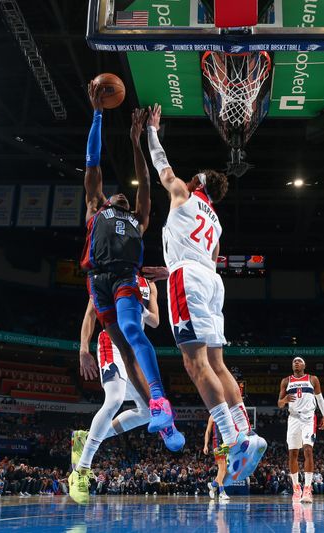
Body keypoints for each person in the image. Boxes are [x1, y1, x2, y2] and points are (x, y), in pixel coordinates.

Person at [142, 103, 266, 484]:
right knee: (218, 363)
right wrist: (172, 269)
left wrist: (151, 131)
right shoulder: (216, 221)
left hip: (189, 280)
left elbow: (161, 166)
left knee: (194, 365)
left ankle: (232, 441)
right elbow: (208, 261)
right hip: (211, 283)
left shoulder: (183, 193)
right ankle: (244, 430)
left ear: (197, 182)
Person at [80, 82, 177, 436]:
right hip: (98, 281)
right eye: (115, 192)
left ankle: (157, 400)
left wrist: (136, 143)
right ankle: (152, 405)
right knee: (124, 344)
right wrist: (97, 115)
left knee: (134, 330)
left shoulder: (139, 218)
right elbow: (92, 162)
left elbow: (146, 183)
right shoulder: (96, 208)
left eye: (126, 193)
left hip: (124, 278)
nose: (121, 192)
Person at [69, 270, 183, 504]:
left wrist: (141, 304)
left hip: (135, 350)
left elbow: (155, 320)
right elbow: (90, 315)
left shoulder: (148, 284)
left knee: (147, 410)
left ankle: (86, 438)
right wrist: (83, 348)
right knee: (114, 399)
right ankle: (81, 470)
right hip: (111, 342)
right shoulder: (108, 274)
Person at [277, 357, 324, 503]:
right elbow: (279, 403)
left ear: (304, 365)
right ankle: (296, 487)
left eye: (299, 361)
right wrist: (284, 400)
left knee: (308, 450)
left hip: (308, 418)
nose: (296, 363)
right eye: (294, 361)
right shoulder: (286, 381)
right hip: (293, 419)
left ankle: (307, 489)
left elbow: (320, 399)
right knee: (293, 453)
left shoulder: (312, 379)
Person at [203, 414, 230, 501]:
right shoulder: (213, 416)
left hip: (225, 444)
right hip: (217, 443)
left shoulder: (227, 414)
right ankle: (221, 492)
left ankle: (214, 484)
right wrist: (205, 445)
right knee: (221, 468)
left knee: (224, 470)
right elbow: (208, 431)